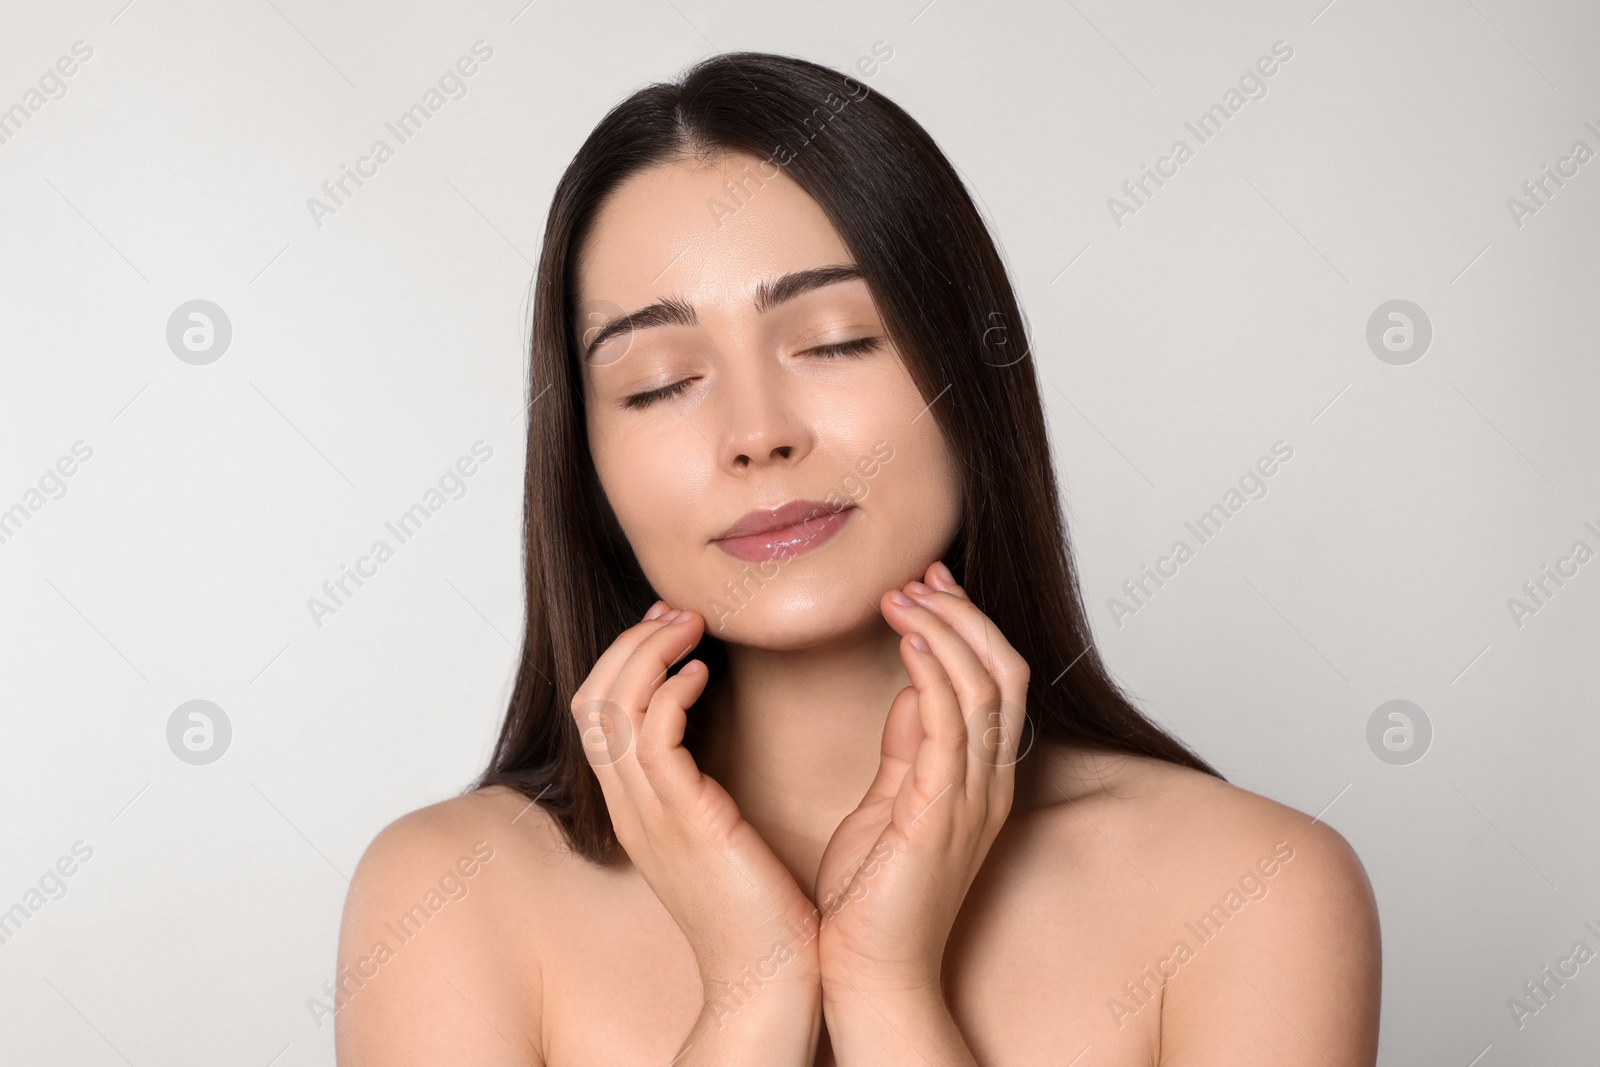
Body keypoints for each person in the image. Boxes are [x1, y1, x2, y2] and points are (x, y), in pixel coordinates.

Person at [333, 50, 1381, 1066]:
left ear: (969, 379)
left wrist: (887, 988)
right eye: (656, 383)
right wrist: (754, 986)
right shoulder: (447, 898)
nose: (757, 432)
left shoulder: (1254, 888)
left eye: (835, 339)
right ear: (587, 466)